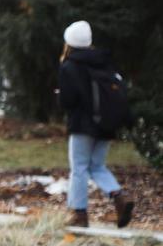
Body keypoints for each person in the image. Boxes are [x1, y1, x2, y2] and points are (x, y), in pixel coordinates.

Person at [57, 21, 134, 228]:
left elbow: (68, 101)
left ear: (69, 43)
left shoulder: (70, 66)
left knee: (79, 168)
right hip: (107, 124)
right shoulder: (104, 62)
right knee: (97, 166)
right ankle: (118, 196)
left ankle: (79, 213)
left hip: (82, 125)